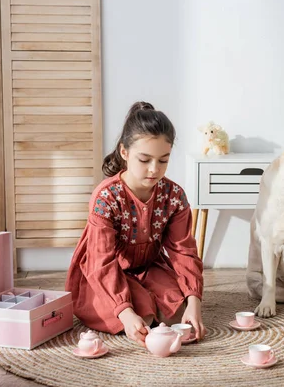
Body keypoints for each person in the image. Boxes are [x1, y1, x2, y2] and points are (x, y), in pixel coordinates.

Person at [65, 101, 205, 347]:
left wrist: (195, 303)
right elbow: (101, 262)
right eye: (145, 159)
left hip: (148, 268)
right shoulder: (106, 197)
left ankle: (147, 301)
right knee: (142, 317)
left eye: (163, 160)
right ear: (124, 152)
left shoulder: (175, 196)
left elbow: (184, 251)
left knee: (176, 314)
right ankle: (124, 307)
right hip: (104, 274)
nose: (154, 170)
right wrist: (124, 312)